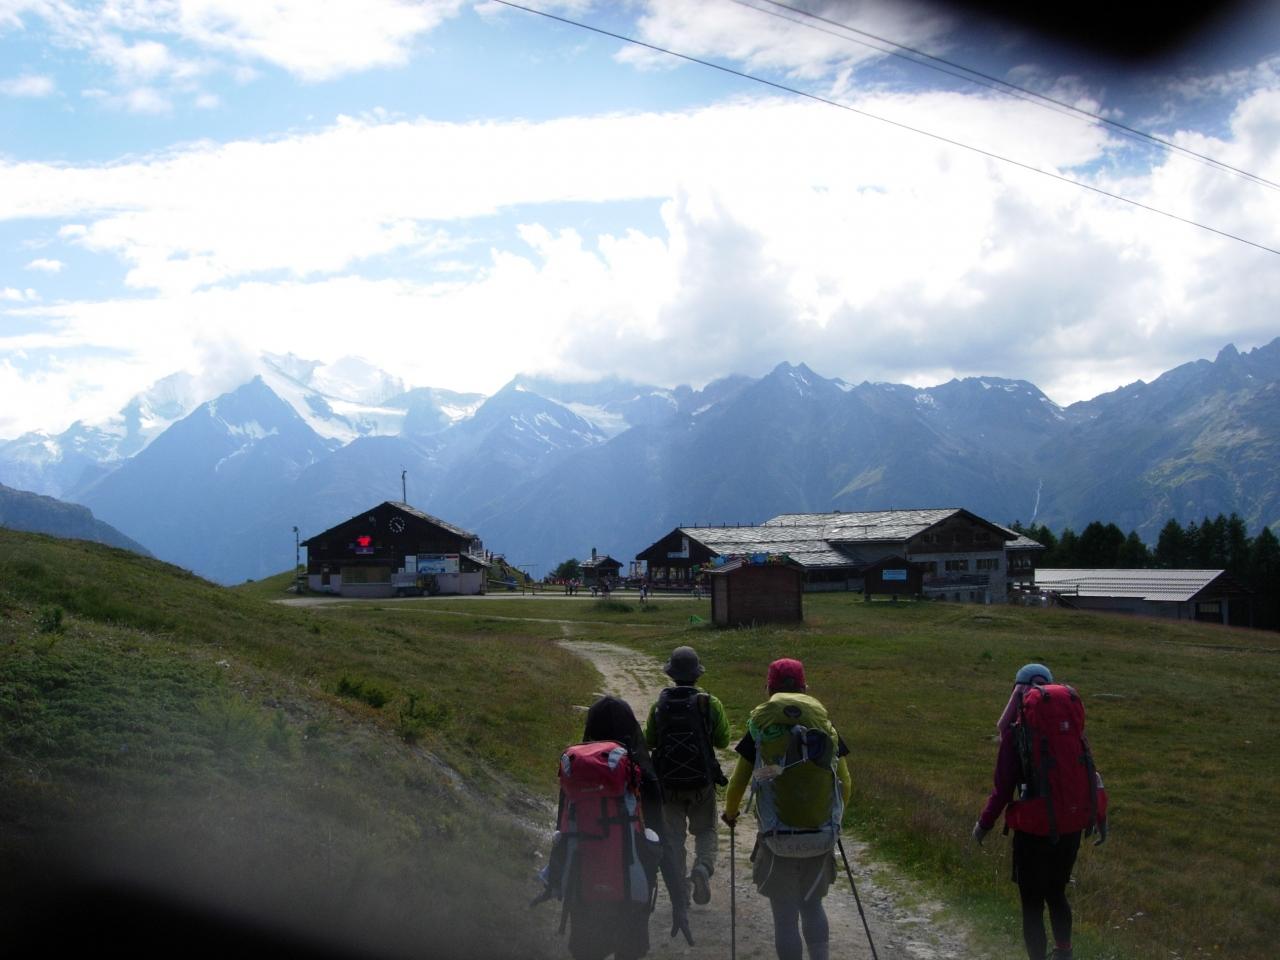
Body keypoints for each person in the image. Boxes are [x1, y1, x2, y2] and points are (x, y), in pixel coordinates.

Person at [972, 663, 1109, 960]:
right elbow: (1090, 776)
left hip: (1033, 829)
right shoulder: (1072, 732)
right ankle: (1064, 952)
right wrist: (1100, 819)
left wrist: (983, 825)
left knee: (1032, 904)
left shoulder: (1015, 734)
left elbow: (1002, 789)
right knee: (1057, 893)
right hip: (1070, 826)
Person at [721, 658, 852, 960]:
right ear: (806, 687)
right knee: (813, 905)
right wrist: (834, 816)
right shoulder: (826, 728)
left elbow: (739, 782)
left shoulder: (760, 729)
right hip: (820, 836)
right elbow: (845, 783)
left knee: (785, 916)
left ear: (768, 688)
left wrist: (730, 813)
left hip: (777, 838)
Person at [547, 695, 691, 960]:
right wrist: (678, 902)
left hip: (583, 890)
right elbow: (663, 842)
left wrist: (553, 880)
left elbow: (562, 833)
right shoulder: (640, 774)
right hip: (632, 891)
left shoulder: (575, 771)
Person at [644, 646, 731, 906]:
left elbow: (649, 741)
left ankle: (679, 887)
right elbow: (723, 741)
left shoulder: (659, 705)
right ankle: (702, 868)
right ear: (697, 674)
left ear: (671, 675)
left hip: (668, 783)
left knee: (673, 837)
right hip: (701, 782)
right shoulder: (710, 703)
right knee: (706, 830)